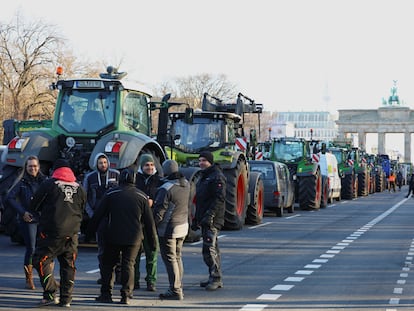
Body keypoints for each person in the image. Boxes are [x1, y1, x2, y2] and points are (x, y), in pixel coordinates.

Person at [90, 168, 157, 305]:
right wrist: (152, 241)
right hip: (134, 237)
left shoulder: (111, 194)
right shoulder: (142, 196)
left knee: (108, 265)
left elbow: (98, 215)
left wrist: (89, 233)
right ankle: (126, 295)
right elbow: (149, 223)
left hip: (112, 235)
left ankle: (106, 293)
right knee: (128, 265)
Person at [30, 159, 86, 307]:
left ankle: (50, 291)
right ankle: (66, 299)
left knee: (40, 260)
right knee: (68, 265)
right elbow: (83, 208)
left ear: (55, 170)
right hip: (72, 233)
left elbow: (34, 204)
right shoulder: (79, 187)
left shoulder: (49, 184)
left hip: (51, 233)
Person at [6, 155, 46, 290]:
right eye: (30, 166)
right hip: (28, 219)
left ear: (39, 166)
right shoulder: (21, 182)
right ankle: (29, 279)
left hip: (43, 219)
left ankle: (47, 278)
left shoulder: (45, 181)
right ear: (26, 167)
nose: (32, 168)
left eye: (35, 166)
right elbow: (9, 198)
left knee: (45, 249)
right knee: (32, 248)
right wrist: (22, 212)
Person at [153, 160, 189, 300]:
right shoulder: (186, 184)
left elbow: (160, 212)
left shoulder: (166, 188)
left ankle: (175, 290)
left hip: (169, 228)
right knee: (177, 257)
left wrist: (152, 226)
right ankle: (178, 285)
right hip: (183, 226)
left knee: (170, 258)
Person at [83, 153, 120, 283]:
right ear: (96, 164)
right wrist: (92, 215)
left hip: (114, 217)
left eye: (105, 162)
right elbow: (85, 198)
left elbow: (122, 192)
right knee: (102, 248)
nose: (103, 165)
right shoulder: (90, 177)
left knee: (117, 245)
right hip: (98, 217)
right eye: (100, 163)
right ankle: (104, 275)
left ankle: (119, 274)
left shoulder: (116, 175)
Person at [191, 151, 226, 291]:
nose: (201, 163)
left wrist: (210, 216)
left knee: (209, 249)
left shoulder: (216, 177)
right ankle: (214, 276)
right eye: (200, 160)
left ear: (210, 161)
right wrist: (196, 219)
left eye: (204, 160)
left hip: (212, 220)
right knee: (212, 249)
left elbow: (219, 199)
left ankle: (216, 278)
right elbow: (200, 200)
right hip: (205, 218)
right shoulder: (205, 176)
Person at [134, 154, 162, 291]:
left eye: (151, 165)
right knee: (135, 254)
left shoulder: (159, 181)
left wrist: (154, 202)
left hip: (152, 223)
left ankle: (151, 280)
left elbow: (163, 201)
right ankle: (134, 280)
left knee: (152, 253)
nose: (149, 167)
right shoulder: (135, 180)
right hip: (138, 223)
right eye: (147, 165)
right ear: (141, 166)